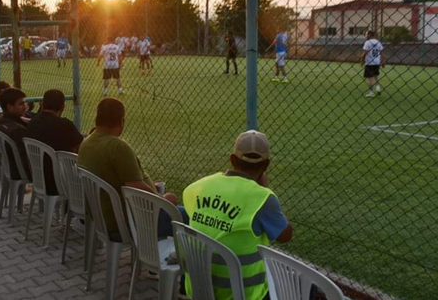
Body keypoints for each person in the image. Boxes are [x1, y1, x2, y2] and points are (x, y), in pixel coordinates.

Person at [183, 130, 292, 300]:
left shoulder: (198, 187)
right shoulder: (263, 199)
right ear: (266, 165)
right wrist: (265, 190)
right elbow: (285, 235)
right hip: (244, 294)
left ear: (232, 159)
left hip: (199, 289)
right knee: (304, 286)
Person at [77, 98, 185, 239]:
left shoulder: (86, 142)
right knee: (190, 217)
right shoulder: (117, 147)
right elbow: (136, 187)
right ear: (122, 121)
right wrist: (163, 199)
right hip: (130, 221)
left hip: (101, 218)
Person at [27, 89, 84, 195]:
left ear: (43, 104)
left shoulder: (33, 122)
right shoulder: (65, 125)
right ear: (63, 106)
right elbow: (81, 147)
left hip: (37, 176)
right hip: (59, 180)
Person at [0, 87, 31, 178]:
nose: (25, 106)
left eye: (25, 102)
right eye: (21, 104)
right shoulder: (17, 130)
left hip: (9, 166)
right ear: (10, 107)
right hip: (21, 170)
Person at [361, 30, 385, 98]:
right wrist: (382, 61)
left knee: (370, 78)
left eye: (366, 34)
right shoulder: (378, 42)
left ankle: (371, 92)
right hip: (377, 62)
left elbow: (365, 53)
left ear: (369, 35)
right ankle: (378, 87)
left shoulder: (367, 42)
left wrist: (362, 60)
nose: (365, 36)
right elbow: (381, 52)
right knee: (376, 75)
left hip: (369, 62)